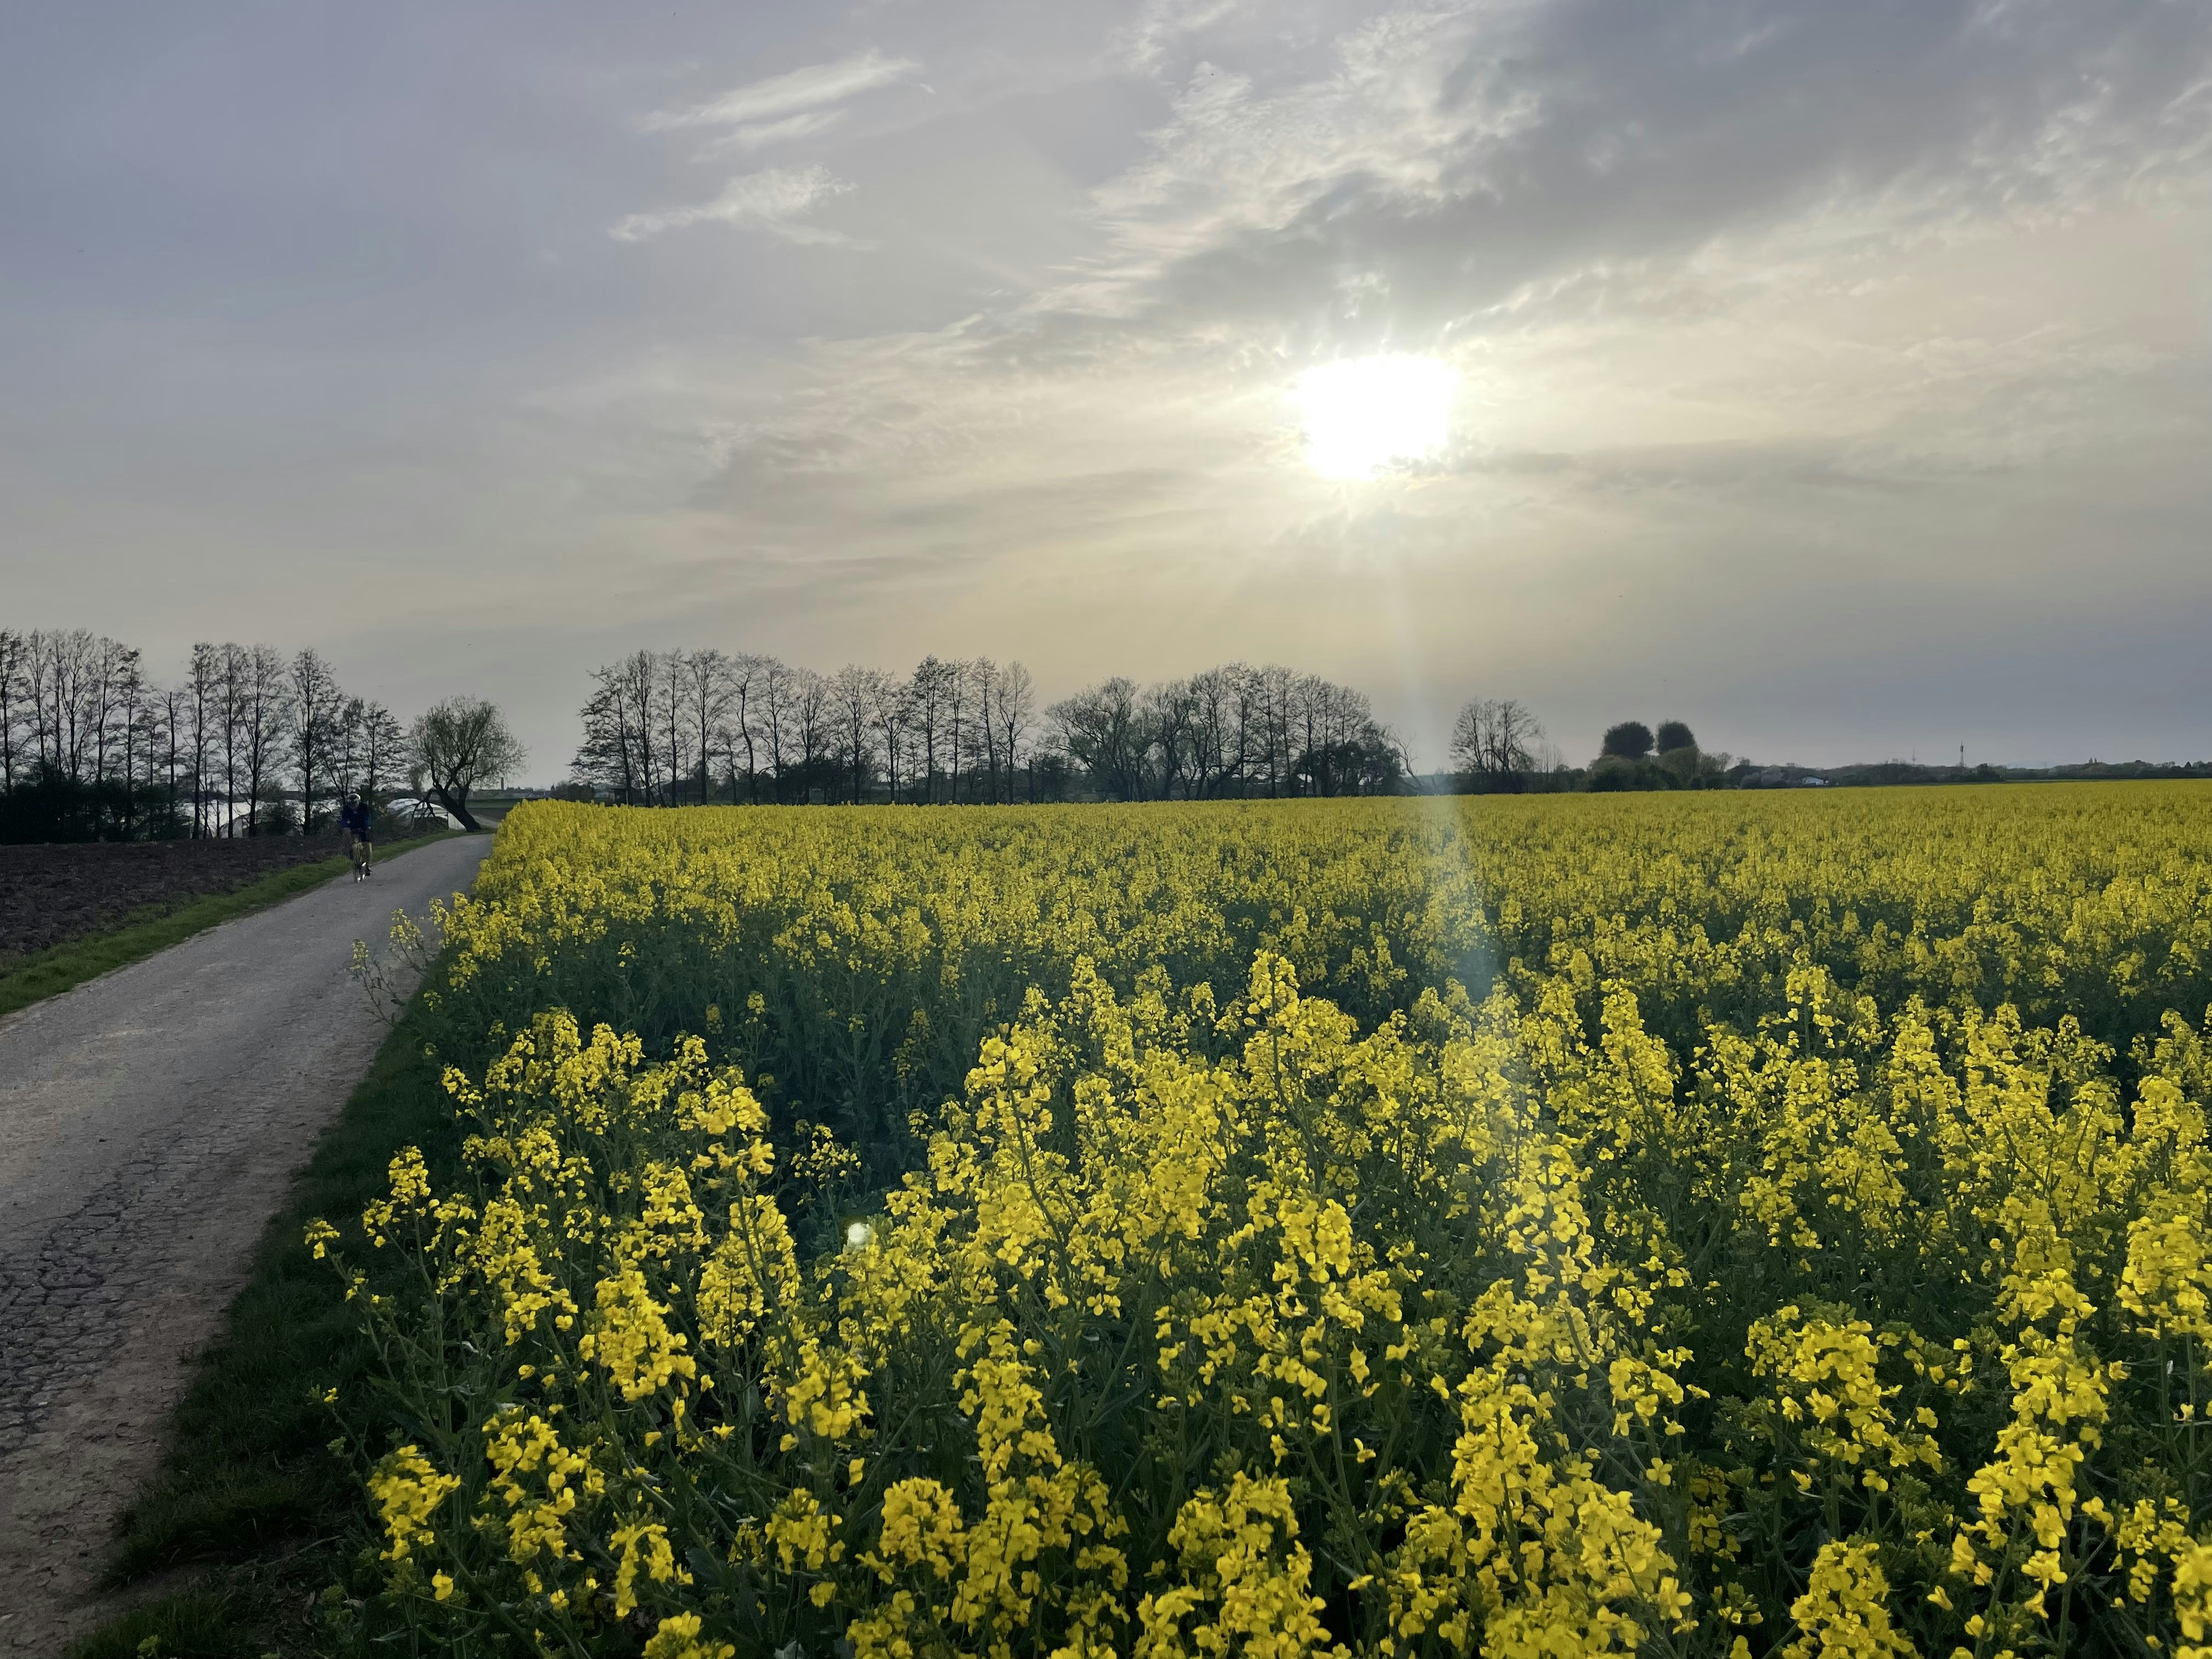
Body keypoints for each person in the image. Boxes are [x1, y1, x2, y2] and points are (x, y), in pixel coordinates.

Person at [340, 790, 374, 877]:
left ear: (358, 802)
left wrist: (367, 827)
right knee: (350, 843)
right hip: (352, 828)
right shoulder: (346, 809)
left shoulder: (364, 807)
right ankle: (351, 856)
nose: (353, 806)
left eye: (355, 803)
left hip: (363, 827)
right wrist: (345, 827)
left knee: (367, 846)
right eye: (351, 804)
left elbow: (367, 818)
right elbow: (344, 820)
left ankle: (366, 865)